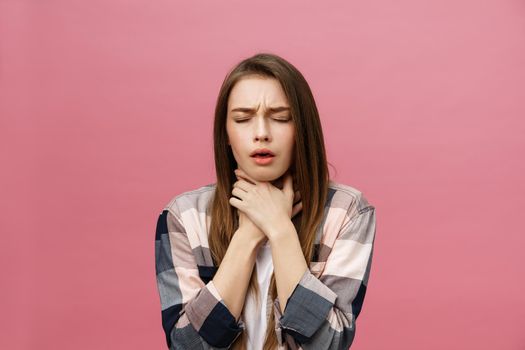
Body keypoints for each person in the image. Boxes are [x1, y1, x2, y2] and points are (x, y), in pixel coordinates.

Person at [154, 52, 377, 350]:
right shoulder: (184, 216)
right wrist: (247, 236)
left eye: (281, 118)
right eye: (243, 119)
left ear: (302, 130)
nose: (261, 133)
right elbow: (186, 345)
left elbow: (329, 343)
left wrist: (279, 229)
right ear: (226, 134)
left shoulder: (347, 212)